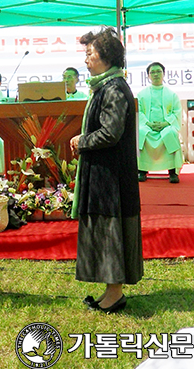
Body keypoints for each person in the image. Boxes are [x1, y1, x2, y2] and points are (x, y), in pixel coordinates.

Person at [70, 27, 143, 314]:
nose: (85, 59)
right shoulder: (106, 85)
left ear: (106, 56)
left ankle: (115, 295)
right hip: (104, 175)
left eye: (90, 53)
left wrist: (81, 140)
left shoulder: (114, 89)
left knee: (112, 233)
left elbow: (110, 133)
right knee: (104, 231)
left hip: (112, 179)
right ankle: (110, 291)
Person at [137, 62, 183, 183]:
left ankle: (173, 172)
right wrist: (149, 124)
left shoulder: (171, 94)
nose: (156, 74)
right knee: (141, 133)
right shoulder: (142, 94)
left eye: (158, 71)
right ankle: (142, 171)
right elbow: (139, 112)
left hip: (165, 126)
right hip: (147, 125)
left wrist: (165, 123)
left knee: (171, 133)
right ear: (148, 76)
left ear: (164, 74)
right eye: (152, 72)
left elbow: (176, 112)